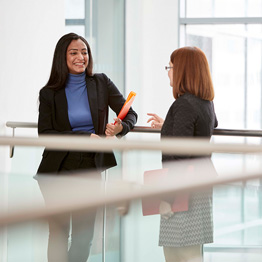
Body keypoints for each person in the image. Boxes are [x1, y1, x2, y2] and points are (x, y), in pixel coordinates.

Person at [36, 32, 137, 262]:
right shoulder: (49, 93)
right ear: (62, 57)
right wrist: (84, 137)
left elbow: (130, 113)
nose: (81, 57)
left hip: (90, 166)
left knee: (84, 237)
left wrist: (121, 128)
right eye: (74, 52)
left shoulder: (100, 82)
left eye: (84, 52)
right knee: (59, 235)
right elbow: (45, 134)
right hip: (57, 169)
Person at [147, 46, 218, 262]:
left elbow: (177, 156)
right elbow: (209, 126)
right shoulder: (206, 103)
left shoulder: (183, 104)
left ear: (183, 71)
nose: (168, 71)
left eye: (170, 67)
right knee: (192, 253)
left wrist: (167, 199)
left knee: (177, 254)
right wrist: (169, 125)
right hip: (200, 183)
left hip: (182, 189)